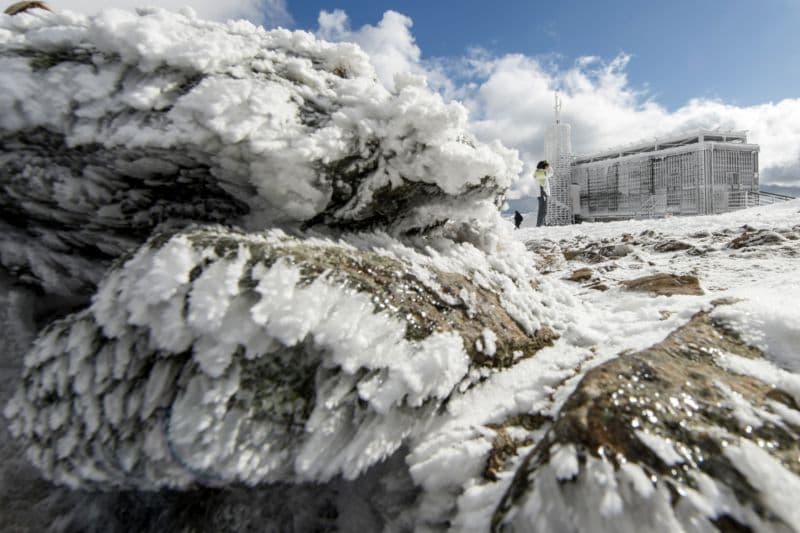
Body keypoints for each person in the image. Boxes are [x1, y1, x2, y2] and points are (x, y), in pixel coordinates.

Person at [535, 160, 552, 227]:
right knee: (543, 210)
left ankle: (543, 224)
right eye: (546, 167)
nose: (547, 168)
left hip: (541, 193)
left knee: (543, 210)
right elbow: (551, 173)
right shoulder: (541, 173)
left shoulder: (539, 172)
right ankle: (540, 225)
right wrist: (549, 166)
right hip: (543, 193)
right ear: (544, 166)